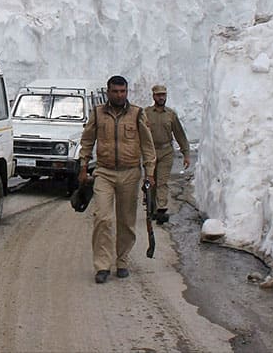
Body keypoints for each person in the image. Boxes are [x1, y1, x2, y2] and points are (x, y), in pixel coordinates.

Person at [78, 75, 156, 284]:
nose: (120, 95)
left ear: (127, 92)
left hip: (130, 173)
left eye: (123, 91)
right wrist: (83, 166)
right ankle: (102, 265)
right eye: (115, 91)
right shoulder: (98, 113)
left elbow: (148, 146)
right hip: (104, 172)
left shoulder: (137, 114)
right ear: (108, 92)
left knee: (126, 220)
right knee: (102, 217)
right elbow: (87, 140)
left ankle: (122, 261)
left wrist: (150, 173)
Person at [145, 84, 190, 224]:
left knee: (162, 182)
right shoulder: (145, 113)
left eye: (163, 95)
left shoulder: (171, 114)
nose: (161, 97)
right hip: (150, 152)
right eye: (158, 95)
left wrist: (186, 153)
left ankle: (161, 209)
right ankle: (151, 207)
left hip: (166, 152)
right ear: (153, 96)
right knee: (151, 181)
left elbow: (179, 134)